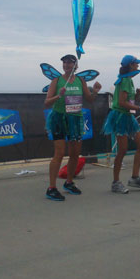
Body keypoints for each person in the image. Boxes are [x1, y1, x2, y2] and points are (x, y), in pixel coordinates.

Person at [43, 54, 101, 201]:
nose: (66, 65)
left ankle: (69, 182)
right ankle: (51, 188)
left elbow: (89, 99)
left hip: (75, 119)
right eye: (64, 63)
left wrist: (95, 91)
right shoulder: (57, 80)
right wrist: (58, 96)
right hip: (59, 118)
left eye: (69, 63)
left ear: (75, 65)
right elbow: (47, 102)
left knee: (75, 153)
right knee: (59, 153)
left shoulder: (81, 80)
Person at [102, 54, 140, 193]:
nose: (138, 65)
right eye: (136, 63)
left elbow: (128, 101)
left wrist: (137, 96)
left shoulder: (128, 80)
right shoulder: (125, 80)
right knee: (122, 149)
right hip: (120, 116)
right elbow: (121, 102)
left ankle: (135, 177)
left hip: (128, 116)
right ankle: (116, 182)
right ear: (131, 65)